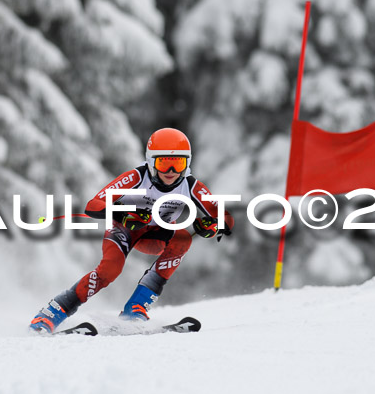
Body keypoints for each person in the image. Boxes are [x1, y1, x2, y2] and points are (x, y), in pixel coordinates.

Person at [29, 128, 234, 333]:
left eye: (178, 163)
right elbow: (94, 205)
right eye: (163, 163)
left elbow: (225, 217)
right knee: (110, 270)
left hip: (154, 235)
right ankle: (51, 312)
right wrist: (124, 214)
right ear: (151, 162)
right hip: (124, 230)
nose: (171, 171)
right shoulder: (137, 176)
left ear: (187, 164)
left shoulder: (190, 185)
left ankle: (136, 308)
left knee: (182, 238)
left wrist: (213, 225)